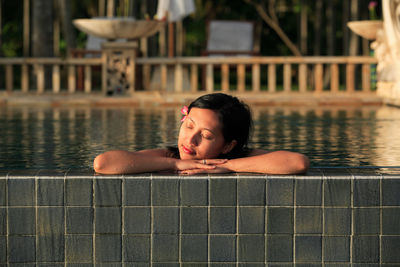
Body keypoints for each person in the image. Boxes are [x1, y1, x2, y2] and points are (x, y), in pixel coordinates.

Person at [93, 93, 309, 175]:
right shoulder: (169, 157)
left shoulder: (238, 157)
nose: (190, 139)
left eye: (205, 136)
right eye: (189, 126)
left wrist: (226, 165)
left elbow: (298, 162)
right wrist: (176, 165)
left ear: (227, 146)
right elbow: (103, 163)